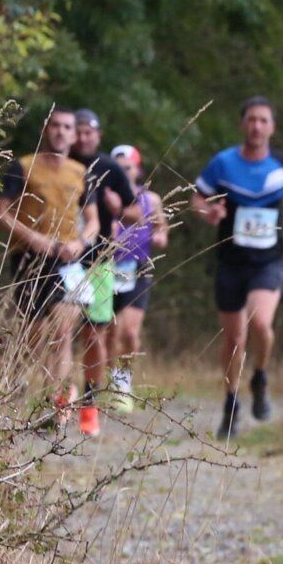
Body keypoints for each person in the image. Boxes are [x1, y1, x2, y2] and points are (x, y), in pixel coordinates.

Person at [193, 96, 283, 439]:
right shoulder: (223, 163)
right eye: (251, 120)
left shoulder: (282, 165)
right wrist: (209, 212)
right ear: (242, 124)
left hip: (268, 259)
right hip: (230, 260)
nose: (257, 126)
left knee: (260, 323)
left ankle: (260, 375)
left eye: (263, 120)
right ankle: (231, 403)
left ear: (272, 127)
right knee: (233, 338)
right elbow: (197, 198)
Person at [0, 106, 98, 425]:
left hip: (68, 259)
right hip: (29, 257)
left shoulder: (81, 172)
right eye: (55, 126)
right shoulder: (22, 167)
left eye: (67, 127)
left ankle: (58, 405)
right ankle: (7, 372)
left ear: (74, 136)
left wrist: (82, 242)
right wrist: (33, 238)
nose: (61, 132)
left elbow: (93, 220)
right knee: (35, 334)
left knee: (63, 331)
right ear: (44, 131)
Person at [70, 109, 139, 436]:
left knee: (93, 334)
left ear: (98, 135)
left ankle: (89, 400)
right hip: (58, 259)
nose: (83, 138)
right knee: (56, 333)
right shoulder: (59, 162)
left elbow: (137, 213)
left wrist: (117, 208)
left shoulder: (110, 168)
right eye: (78, 131)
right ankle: (60, 394)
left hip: (99, 259)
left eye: (89, 132)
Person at [108, 144, 168, 407]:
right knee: (111, 332)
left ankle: (123, 381)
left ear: (137, 170)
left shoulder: (150, 199)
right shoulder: (105, 196)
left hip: (138, 267)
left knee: (130, 332)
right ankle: (110, 378)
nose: (123, 172)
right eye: (118, 168)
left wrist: (160, 235)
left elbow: (161, 226)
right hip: (108, 267)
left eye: (128, 167)